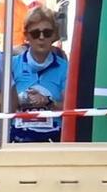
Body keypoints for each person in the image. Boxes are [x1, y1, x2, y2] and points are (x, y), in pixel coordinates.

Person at [9, 8, 68, 144]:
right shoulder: (12, 64)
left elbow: (69, 107)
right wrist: (20, 99)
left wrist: (48, 102)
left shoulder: (64, 67)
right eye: (35, 33)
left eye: (47, 33)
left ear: (54, 35)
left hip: (53, 137)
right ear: (26, 36)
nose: (41, 37)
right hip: (18, 136)